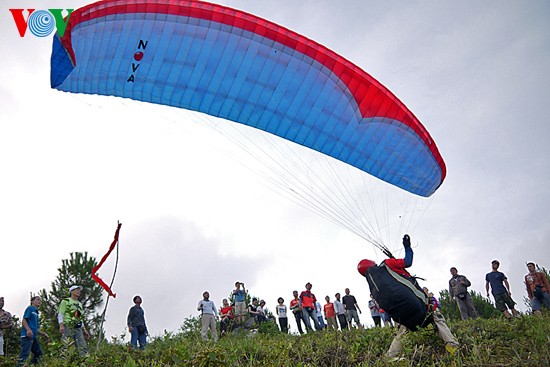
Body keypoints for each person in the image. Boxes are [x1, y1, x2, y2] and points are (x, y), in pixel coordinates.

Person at [358, 234, 459, 359]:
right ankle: (452, 344)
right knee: (435, 315)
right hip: (416, 307)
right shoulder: (387, 264)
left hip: (401, 317)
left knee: (404, 329)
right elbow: (408, 262)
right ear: (373, 264)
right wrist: (407, 247)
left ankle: (390, 356)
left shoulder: (373, 287)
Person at [17, 296, 49, 367]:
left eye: (40, 300)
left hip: (34, 337)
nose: (39, 301)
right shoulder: (30, 309)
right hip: (27, 336)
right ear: (32, 301)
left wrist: (44, 334)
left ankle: (30, 365)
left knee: (39, 353)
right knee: (25, 354)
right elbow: (24, 320)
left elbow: (35, 329)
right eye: (37, 300)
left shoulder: (36, 313)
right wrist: (28, 330)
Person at [58, 285, 89, 355]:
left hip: (77, 326)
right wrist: (61, 325)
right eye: (77, 290)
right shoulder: (65, 301)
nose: (79, 291)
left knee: (82, 346)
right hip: (68, 325)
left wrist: (84, 329)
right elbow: (61, 314)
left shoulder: (79, 304)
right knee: (66, 345)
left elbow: (78, 317)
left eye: (79, 290)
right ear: (71, 291)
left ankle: (85, 362)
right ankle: (64, 361)